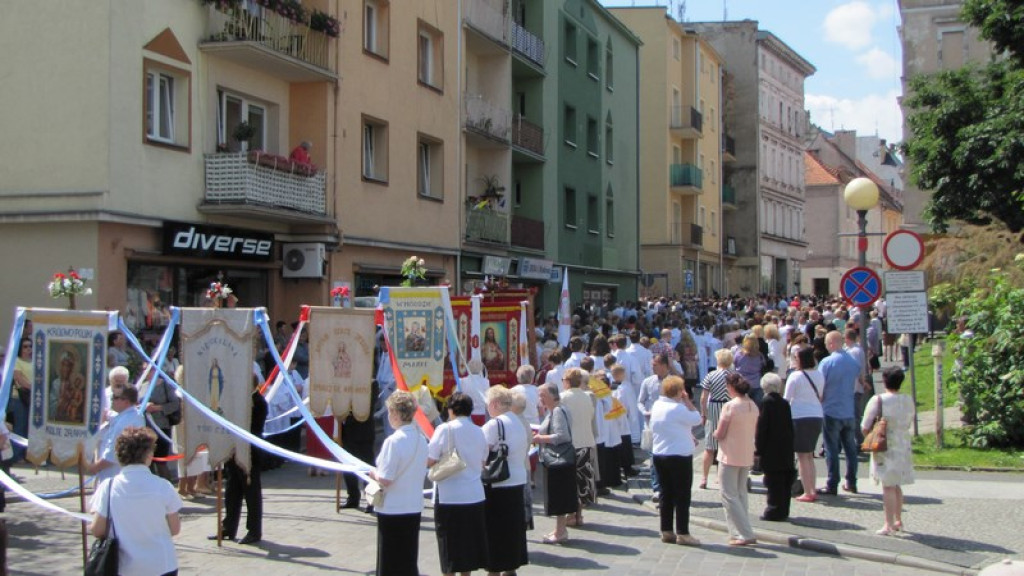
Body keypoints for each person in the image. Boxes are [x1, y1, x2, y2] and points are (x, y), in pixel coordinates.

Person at [88, 426, 183, 576]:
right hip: (162, 564)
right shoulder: (163, 486)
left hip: (123, 566)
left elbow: (98, 529)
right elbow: (175, 529)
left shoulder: (108, 487)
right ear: (149, 455)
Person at [427, 392, 489, 576]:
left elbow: (430, 459)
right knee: (467, 546)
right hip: (474, 493)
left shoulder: (444, 429)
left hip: (449, 494)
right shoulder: (479, 431)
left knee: (449, 545)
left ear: (451, 410)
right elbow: (483, 460)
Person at [370, 390, 428, 576]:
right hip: (413, 505)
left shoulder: (393, 442)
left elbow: (386, 478)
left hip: (393, 507)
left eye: (389, 412)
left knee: (390, 559)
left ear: (395, 413)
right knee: (408, 557)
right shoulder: (421, 440)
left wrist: (372, 473)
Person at [210, 375, 267, 545]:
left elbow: (254, 428)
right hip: (232, 450)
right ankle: (228, 527)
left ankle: (254, 531)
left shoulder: (258, 402)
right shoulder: (237, 401)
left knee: (251, 493)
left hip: (249, 452)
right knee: (232, 491)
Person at [481, 386, 529, 576]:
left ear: (494, 404)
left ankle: (494, 569)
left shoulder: (494, 425)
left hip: (498, 481)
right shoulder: (518, 422)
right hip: (518, 478)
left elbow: (482, 454)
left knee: (495, 529)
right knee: (512, 527)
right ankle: (511, 566)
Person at [862, 367, 915, 536]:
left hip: (885, 444)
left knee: (888, 486)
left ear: (884, 381)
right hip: (903, 442)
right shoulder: (907, 400)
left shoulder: (878, 400)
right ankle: (898, 519)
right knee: (897, 483)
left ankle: (888, 523)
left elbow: (865, 425)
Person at [650, 375, 702, 546]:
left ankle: (666, 529)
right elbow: (697, 419)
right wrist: (688, 401)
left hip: (659, 454)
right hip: (679, 456)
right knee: (682, 495)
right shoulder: (678, 409)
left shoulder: (657, 405)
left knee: (666, 493)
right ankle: (683, 532)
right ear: (679, 392)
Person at [714, 372, 759, 546]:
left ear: (731, 387)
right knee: (740, 493)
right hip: (746, 452)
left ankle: (745, 532)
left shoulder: (730, 406)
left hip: (729, 453)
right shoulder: (753, 405)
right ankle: (736, 531)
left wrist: (714, 433)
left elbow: (721, 432)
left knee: (728, 495)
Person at [817, 330, 861, 496]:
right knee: (850, 448)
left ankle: (832, 482)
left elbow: (821, 385)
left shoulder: (827, 362)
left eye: (828, 344)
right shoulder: (853, 361)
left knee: (831, 448)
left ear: (832, 343)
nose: (827, 347)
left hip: (831, 409)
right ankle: (851, 481)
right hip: (848, 409)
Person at [532, 383, 577, 544]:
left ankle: (561, 531)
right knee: (558, 496)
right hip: (557, 459)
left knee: (558, 496)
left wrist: (539, 439)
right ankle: (559, 528)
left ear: (552, 395)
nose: (540, 398)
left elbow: (561, 436)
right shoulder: (554, 410)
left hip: (558, 459)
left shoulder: (558, 411)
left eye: (542, 395)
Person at [784, 346, 825, 502]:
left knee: (802, 455)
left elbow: (787, 399)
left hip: (800, 416)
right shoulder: (819, 375)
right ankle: (811, 487)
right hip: (816, 414)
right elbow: (821, 394)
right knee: (809, 454)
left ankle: (808, 491)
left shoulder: (795, 377)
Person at [755, 373, 795, 522]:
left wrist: (758, 448)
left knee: (773, 481)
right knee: (784, 480)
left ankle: (773, 510)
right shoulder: (784, 403)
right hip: (785, 445)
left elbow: (762, 427)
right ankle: (783, 510)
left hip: (771, 446)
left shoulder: (766, 402)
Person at [560, 367, 597, 519]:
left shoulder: (563, 397)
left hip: (571, 443)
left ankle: (571, 515)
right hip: (586, 440)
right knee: (582, 479)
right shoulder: (587, 396)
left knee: (569, 480)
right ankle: (579, 514)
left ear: (567, 382)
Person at [89, 386, 146, 483]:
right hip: (126, 474)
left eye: (115, 398)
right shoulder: (135, 415)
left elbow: (112, 455)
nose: (111, 400)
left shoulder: (124, 423)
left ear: (126, 402)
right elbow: (115, 417)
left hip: (114, 475)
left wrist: (94, 467)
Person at [699, 349, 734, 489]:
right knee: (726, 445)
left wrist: (704, 413)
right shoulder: (733, 376)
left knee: (709, 447)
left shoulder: (711, 375)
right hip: (729, 407)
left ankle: (704, 477)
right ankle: (722, 476)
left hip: (714, 407)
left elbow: (703, 398)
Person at [10, 337, 33, 461]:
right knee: (20, 426)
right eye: (25, 347)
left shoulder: (35, 361)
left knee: (31, 427)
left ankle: (28, 455)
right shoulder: (17, 361)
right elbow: (19, 378)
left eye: (30, 346)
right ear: (20, 349)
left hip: (34, 398)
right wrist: (33, 387)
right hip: (20, 398)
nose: (28, 349)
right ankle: (17, 455)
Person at [733, 335, 766, 406]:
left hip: (742, 384)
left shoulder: (739, 354)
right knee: (757, 409)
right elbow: (762, 366)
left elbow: (734, 365)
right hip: (757, 384)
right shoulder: (760, 356)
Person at [463, 359, 491, 426]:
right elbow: (488, 398)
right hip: (481, 413)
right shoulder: (486, 382)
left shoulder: (462, 381)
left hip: (466, 413)